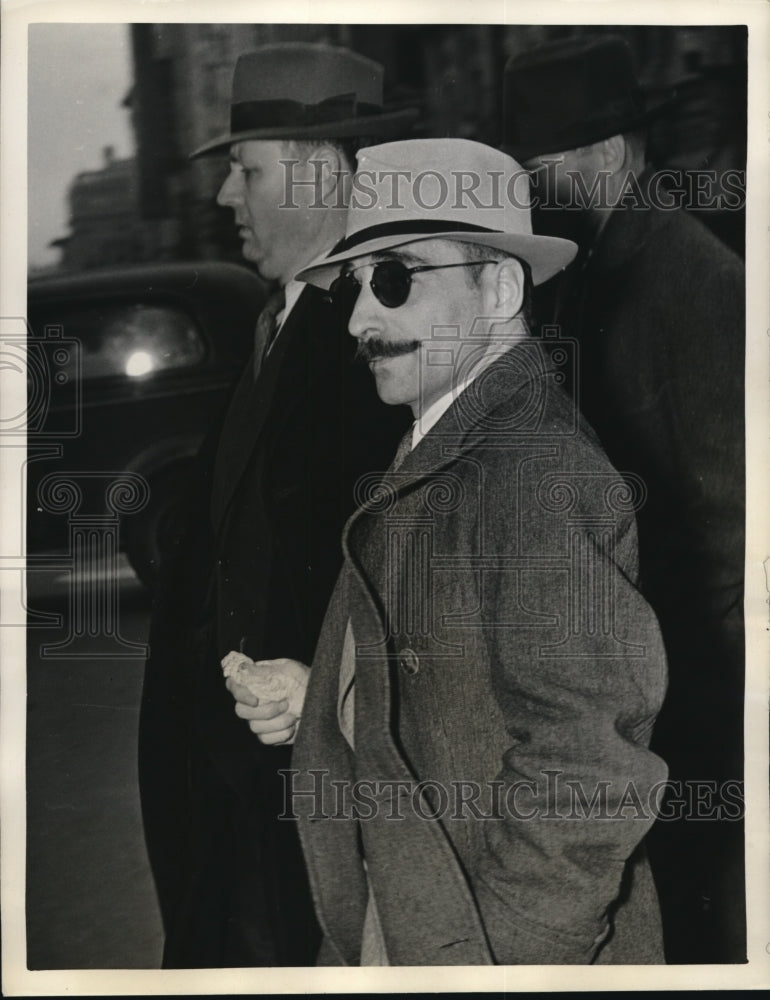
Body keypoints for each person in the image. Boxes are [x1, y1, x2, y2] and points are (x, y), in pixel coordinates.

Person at [227, 138, 669, 965]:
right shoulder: (446, 440)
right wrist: (329, 692)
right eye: (356, 285)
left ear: (500, 287)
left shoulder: (534, 469)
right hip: (419, 907)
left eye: (395, 278)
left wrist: (503, 955)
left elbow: (590, 766)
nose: (360, 318)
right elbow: (457, 673)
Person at [138, 43, 415, 968]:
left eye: (244, 169)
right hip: (234, 791)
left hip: (294, 794)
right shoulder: (286, 317)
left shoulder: (374, 340)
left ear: (318, 172)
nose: (226, 197)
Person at [502, 35, 746, 963]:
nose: (530, 190)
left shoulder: (701, 282)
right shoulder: (593, 272)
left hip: (690, 693)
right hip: (636, 683)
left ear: (607, 156)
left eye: (543, 168)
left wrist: (637, 648)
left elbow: (735, 521)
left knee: (706, 920)